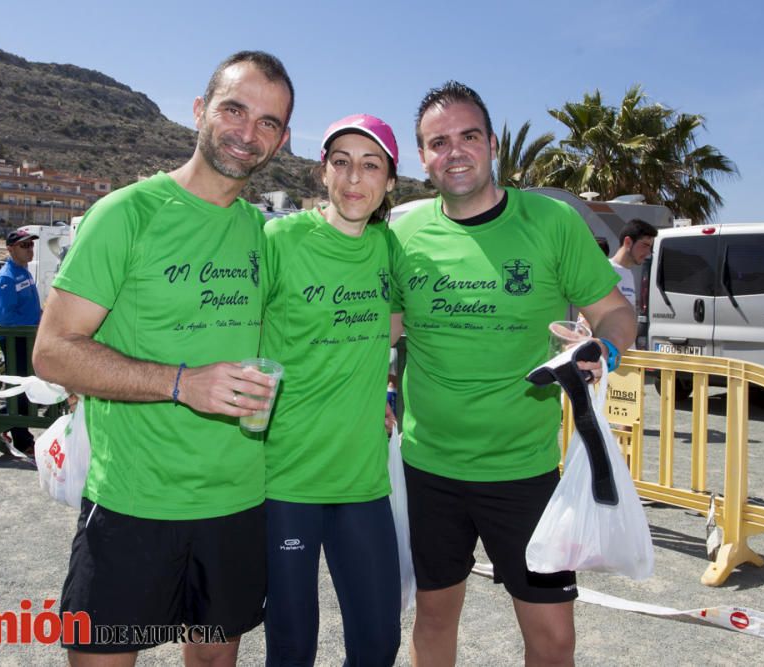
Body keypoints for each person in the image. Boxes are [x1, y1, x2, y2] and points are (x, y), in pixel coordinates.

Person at [31, 51, 294, 666]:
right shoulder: (127, 213)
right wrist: (181, 383)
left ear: (281, 141)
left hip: (236, 503)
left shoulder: (260, 231)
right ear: (200, 111)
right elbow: (52, 352)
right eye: (234, 109)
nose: (247, 132)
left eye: (268, 122)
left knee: (212, 660)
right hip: (133, 502)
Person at [388, 81, 636, 666]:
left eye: (468, 136)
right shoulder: (402, 234)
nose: (455, 152)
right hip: (429, 472)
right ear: (422, 157)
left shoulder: (550, 222)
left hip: (524, 474)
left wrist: (605, 349)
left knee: (553, 641)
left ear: (493, 143)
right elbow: (383, 333)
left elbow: (616, 312)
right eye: (437, 142)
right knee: (433, 622)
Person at [260, 114, 402, 666]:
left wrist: (382, 388)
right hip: (287, 479)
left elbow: (392, 327)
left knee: (377, 642)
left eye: (370, 166)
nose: (353, 178)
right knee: (292, 646)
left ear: (390, 182)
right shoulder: (280, 239)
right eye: (340, 162)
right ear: (323, 172)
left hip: (362, 482)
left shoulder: (388, 248)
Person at [0, 228, 42, 455]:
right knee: (21, 389)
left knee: (29, 387)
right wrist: (33, 324)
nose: (30, 249)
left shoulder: (24, 272)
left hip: (29, 338)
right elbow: (5, 318)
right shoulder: (6, 277)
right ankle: (21, 438)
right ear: (10, 249)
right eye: (25, 246)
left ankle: (0, 419)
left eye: (31, 245)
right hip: (16, 341)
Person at [610, 218, 658, 309]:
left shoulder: (628, 274)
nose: (648, 252)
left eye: (650, 247)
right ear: (628, 242)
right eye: (645, 245)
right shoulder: (605, 270)